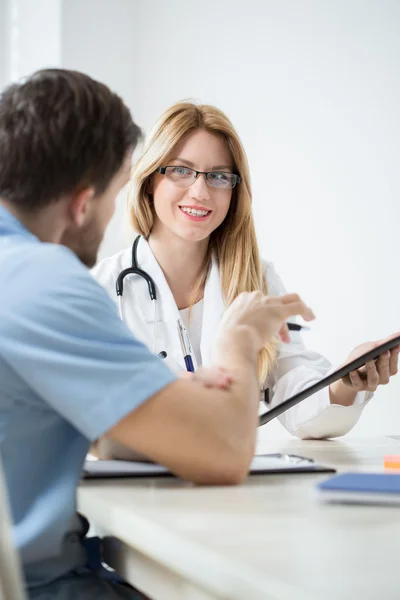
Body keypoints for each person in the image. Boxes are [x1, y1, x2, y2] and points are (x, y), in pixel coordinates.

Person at [0, 69, 314, 600]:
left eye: (219, 176)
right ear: (83, 200)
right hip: (45, 584)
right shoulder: (49, 282)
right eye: (118, 192)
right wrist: (236, 344)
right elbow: (222, 453)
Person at [92, 100, 399, 459]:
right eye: (181, 171)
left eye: (218, 176)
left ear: (234, 191)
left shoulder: (257, 279)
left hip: (229, 486)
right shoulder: (101, 287)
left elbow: (291, 386)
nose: (200, 192)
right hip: (132, 492)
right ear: (148, 182)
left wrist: (345, 382)